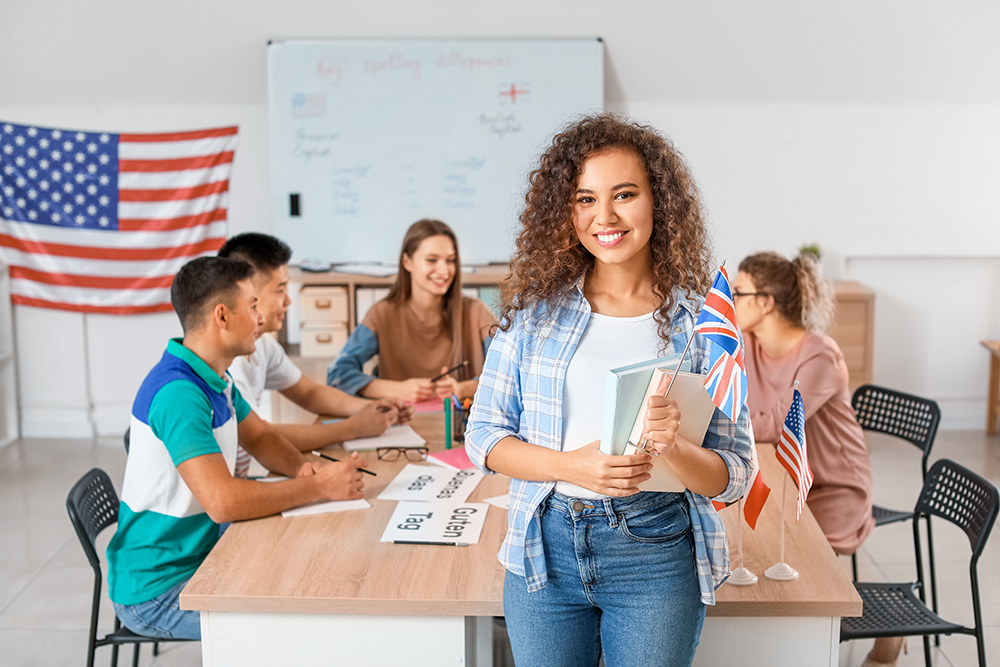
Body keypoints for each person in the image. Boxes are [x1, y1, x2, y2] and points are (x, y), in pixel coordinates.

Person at [465, 114, 754, 667]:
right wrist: (570, 467)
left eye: (624, 194)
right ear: (565, 211)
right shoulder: (533, 318)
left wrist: (675, 447)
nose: (605, 217)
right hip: (545, 548)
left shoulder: (702, 326)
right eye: (585, 199)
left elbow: (736, 472)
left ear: (658, 201)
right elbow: (482, 436)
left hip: (655, 551)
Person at [106, 257, 367, 641]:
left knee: (309, 570)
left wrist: (303, 470)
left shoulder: (214, 375)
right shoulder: (179, 394)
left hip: (201, 551)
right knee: (296, 624)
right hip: (159, 589)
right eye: (253, 306)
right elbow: (223, 503)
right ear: (222, 316)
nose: (261, 319)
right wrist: (318, 488)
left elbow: (260, 437)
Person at [732, 252, 891, 666]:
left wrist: (724, 417)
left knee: (800, 568)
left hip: (835, 485)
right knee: (751, 550)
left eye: (738, 291)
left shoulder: (820, 356)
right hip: (780, 475)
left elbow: (775, 426)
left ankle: (882, 630)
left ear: (765, 301)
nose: (729, 298)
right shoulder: (747, 344)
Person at [219, 233, 410, 470]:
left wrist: (371, 409)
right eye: (280, 290)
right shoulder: (228, 365)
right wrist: (353, 427)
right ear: (249, 294)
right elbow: (262, 435)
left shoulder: (263, 345)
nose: (288, 300)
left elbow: (309, 393)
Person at [327, 219, 496, 403]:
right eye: (431, 260)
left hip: (460, 419)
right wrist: (396, 390)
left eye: (450, 260)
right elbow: (337, 374)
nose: (444, 270)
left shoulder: (476, 312)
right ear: (407, 262)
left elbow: (512, 371)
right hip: (398, 418)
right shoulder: (381, 314)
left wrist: (464, 388)